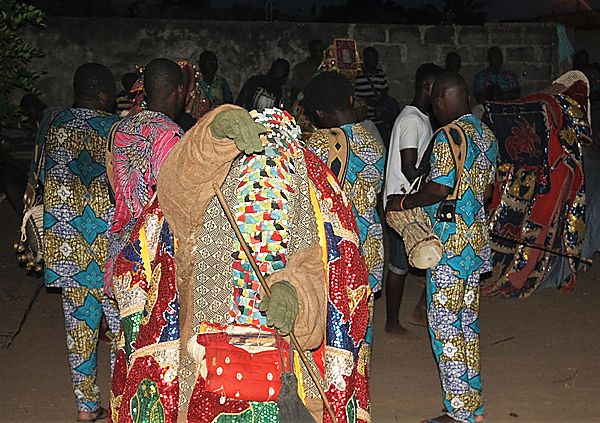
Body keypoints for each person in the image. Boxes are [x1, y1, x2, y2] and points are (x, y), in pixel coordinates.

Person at [109, 106, 372, 422]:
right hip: (200, 353)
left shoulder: (306, 183)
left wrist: (296, 295)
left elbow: (325, 267)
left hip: (284, 366)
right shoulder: (213, 175)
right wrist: (213, 137)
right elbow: (176, 196)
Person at [387, 72, 498, 423]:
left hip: (449, 246)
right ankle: (473, 404)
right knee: (467, 324)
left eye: (436, 100)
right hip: (476, 242)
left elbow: (438, 189)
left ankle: (458, 413)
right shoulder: (487, 134)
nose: (434, 108)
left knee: (446, 327)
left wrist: (402, 204)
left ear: (442, 99)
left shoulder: (449, 135)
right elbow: (487, 191)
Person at [35, 63, 121, 422]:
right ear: (102, 95)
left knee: (79, 330)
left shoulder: (51, 125)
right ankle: (120, 403)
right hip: (110, 250)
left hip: (67, 248)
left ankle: (86, 409)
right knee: (120, 332)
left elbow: (40, 177)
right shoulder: (115, 130)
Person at [106, 58, 185, 296]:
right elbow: (174, 201)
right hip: (153, 255)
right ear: (179, 90)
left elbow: (113, 187)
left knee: (126, 330)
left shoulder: (122, 127)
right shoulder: (170, 135)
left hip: (121, 246)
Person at [303, 71, 386, 294]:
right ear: (350, 100)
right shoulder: (374, 143)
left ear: (319, 112)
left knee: (335, 320)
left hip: (335, 247)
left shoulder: (320, 142)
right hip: (369, 241)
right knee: (362, 315)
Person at [384, 63, 442, 334]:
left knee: (427, 255)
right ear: (427, 87)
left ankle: (419, 311)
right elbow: (409, 168)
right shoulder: (411, 120)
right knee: (398, 266)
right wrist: (435, 168)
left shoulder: (419, 118)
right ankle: (392, 322)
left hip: (410, 199)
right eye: (439, 89)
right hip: (402, 203)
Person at [354, 47, 393, 140]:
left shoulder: (380, 74)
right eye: (370, 57)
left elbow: (384, 94)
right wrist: (369, 102)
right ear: (364, 59)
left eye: (375, 57)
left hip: (380, 120)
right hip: (365, 121)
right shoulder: (358, 76)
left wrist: (380, 104)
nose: (373, 60)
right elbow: (356, 98)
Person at [195, 50, 234, 117]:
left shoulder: (221, 82)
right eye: (209, 62)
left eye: (214, 62)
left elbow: (229, 103)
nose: (213, 65)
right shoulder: (194, 81)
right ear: (200, 64)